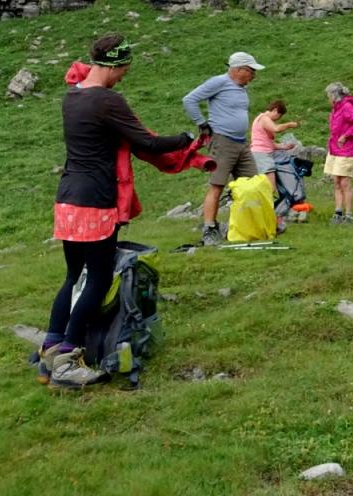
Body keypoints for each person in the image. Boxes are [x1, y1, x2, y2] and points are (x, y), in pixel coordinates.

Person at [40, 34, 192, 389]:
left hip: (67, 199)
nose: (124, 76)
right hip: (96, 200)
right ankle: (67, 358)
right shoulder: (107, 101)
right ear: (116, 65)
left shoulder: (72, 96)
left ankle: (49, 348)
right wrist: (186, 138)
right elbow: (147, 142)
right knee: (99, 277)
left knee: (72, 275)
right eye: (124, 69)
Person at [182, 51, 266, 247]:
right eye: (251, 71)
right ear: (239, 70)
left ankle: (252, 224)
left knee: (252, 184)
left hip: (241, 142)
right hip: (222, 141)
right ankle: (210, 228)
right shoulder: (219, 82)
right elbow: (189, 99)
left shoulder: (242, 88)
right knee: (217, 184)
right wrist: (202, 123)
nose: (254, 75)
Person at [325, 83, 353, 225]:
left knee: (345, 182)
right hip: (335, 149)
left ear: (333, 96)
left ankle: (349, 214)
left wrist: (346, 135)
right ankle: (338, 212)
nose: (327, 99)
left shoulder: (346, 107)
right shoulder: (336, 108)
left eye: (328, 96)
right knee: (336, 182)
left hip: (346, 149)